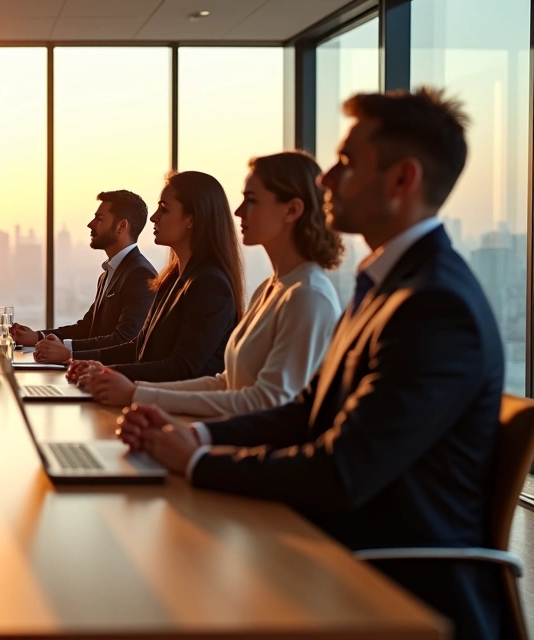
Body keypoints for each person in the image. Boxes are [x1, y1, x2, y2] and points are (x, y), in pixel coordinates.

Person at [120, 88, 503, 640]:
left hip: (389, 587)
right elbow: (304, 409)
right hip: (334, 547)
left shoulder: (436, 308)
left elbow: (344, 470)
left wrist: (200, 463)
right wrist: (197, 439)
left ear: (403, 181)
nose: (326, 179)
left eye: (346, 163)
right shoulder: (387, 286)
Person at [83, 152, 342, 415]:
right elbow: (226, 382)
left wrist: (136, 394)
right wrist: (127, 387)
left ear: (292, 210)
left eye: (251, 200)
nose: (239, 211)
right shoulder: (269, 288)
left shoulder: (309, 295)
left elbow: (267, 401)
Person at [57, 172, 244, 386]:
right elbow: (139, 347)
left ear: (191, 219)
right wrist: (92, 365)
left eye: (164, 209)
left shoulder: (210, 285)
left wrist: (106, 373)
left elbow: (182, 368)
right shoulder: (172, 278)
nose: (154, 217)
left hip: (178, 412)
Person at [11, 190, 156, 357]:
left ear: (121, 226)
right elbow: (87, 328)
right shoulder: (109, 273)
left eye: (99, 219)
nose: (90, 224)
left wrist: (67, 351)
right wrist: (38, 337)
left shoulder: (140, 274)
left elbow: (124, 340)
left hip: (114, 379)